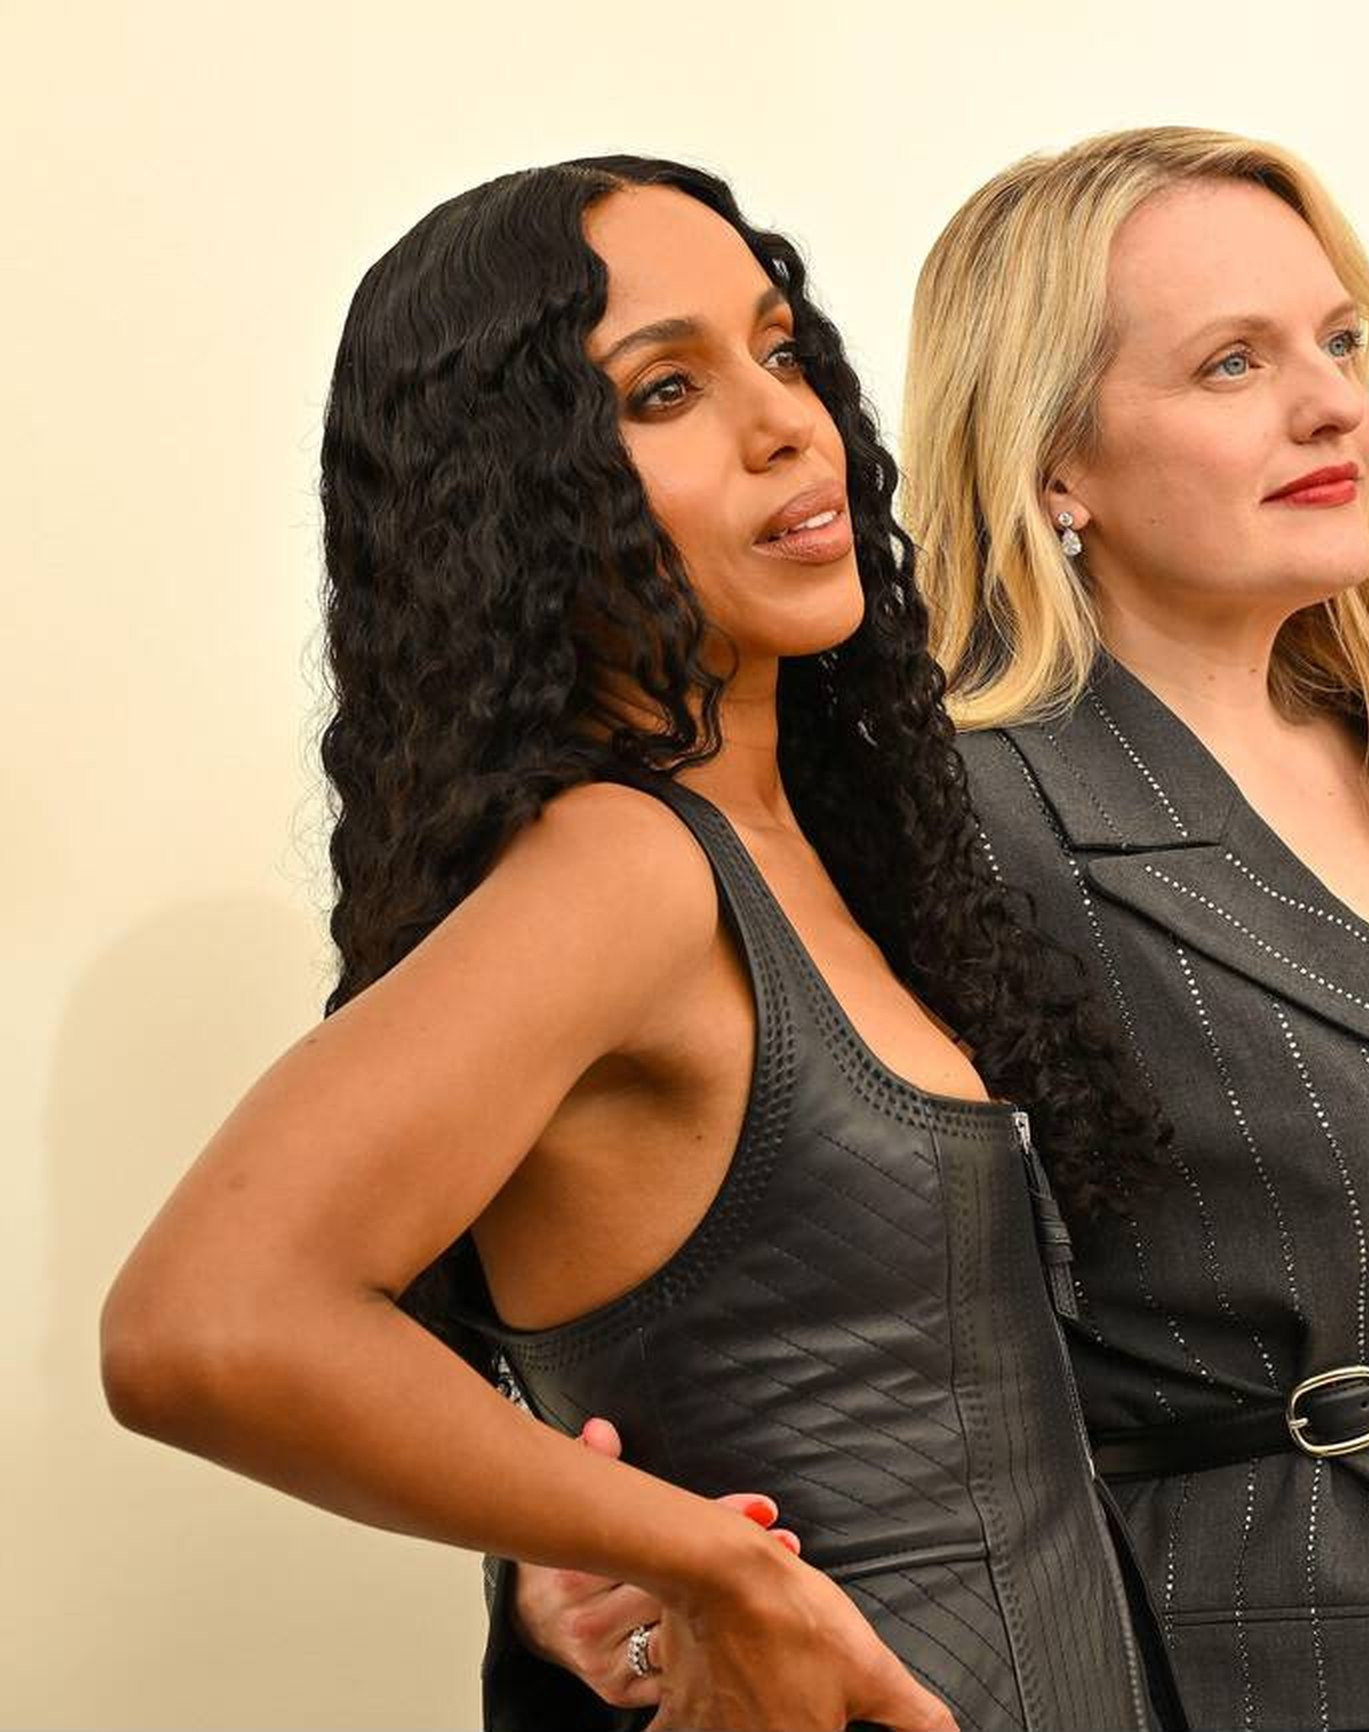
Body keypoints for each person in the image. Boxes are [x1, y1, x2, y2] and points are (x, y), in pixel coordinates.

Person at [514, 125, 1369, 1732]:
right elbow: (716, 1235)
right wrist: (576, 1534)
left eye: (1338, 343)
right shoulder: (947, 814)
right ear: (1056, 462)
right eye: (1232, 363)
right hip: (1298, 1667)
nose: (1330, 404)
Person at [99, 155, 1161, 1732]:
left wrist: (598, 1558)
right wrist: (713, 1573)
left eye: (781, 350)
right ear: (520, 501)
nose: (784, 420)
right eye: (666, 390)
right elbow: (201, 1324)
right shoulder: (624, 870)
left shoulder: (812, 847)